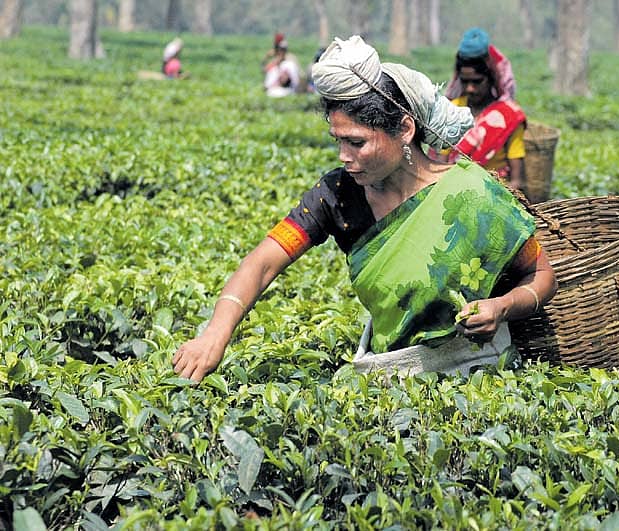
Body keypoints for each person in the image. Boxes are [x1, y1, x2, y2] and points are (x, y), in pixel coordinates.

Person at [173, 36, 557, 382]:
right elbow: (262, 263)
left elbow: (541, 275)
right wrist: (214, 336)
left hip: (480, 377)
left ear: (405, 130)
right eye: (338, 141)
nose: (345, 157)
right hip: (393, 373)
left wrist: (501, 307)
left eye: (357, 143)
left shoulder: (473, 191)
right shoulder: (337, 194)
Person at [439, 27, 527, 192]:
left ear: (491, 78)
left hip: (495, 196)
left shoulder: (509, 116)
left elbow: (517, 181)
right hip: (454, 194)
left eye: (477, 81)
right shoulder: (451, 109)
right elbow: (441, 165)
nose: (470, 88)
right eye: (465, 82)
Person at [262, 33, 301, 97]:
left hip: (289, 88)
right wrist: (266, 57)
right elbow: (265, 70)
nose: (281, 52)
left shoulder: (290, 59)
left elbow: (296, 76)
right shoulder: (275, 60)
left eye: (282, 50)